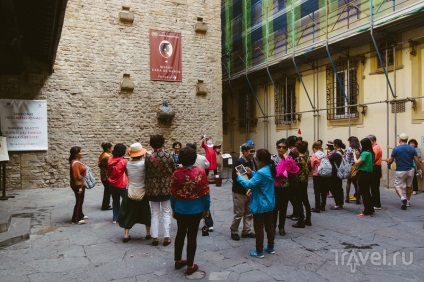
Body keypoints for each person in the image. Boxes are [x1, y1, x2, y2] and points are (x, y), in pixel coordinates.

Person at [170, 146, 211, 276]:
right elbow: (205, 193)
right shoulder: (200, 173)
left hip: (180, 209)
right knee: (192, 236)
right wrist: (206, 208)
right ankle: (190, 265)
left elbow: (173, 194)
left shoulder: (176, 173)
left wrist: (174, 208)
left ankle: (178, 260)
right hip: (196, 209)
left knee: (180, 233)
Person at [236, 149, 276, 258]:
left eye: (256, 159)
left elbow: (249, 184)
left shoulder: (262, 173)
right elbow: (260, 179)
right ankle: (271, 247)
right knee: (270, 226)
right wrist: (252, 172)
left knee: (259, 228)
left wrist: (239, 177)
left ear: (260, 161)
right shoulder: (270, 169)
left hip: (260, 204)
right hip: (270, 203)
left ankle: (259, 251)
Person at [145, 135, 176, 246]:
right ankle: (166, 237)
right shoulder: (168, 156)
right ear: (163, 144)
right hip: (166, 188)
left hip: (152, 189)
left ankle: (155, 237)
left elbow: (146, 172)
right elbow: (174, 171)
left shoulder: (148, 157)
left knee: (154, 213)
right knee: (166, 212)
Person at [118, 143, 151, 243]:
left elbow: (127, 175)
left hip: (130, 190)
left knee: (128, 212)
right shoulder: (144, 164)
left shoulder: (127, 164)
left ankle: (126, 234)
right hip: (142, 190)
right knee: (145, 212)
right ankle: (148, 233)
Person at [386, 133, 422, 210]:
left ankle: (402, 198)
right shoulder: (412, 148)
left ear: (400, 140)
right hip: (410, 170)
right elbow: (416, 160)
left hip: (400, 170)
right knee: (409, 186)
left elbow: (391, 160)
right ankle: (408, 201)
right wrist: (419, 169)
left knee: (397, 186)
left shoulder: (396, 149)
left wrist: (388, 163)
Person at [230, 142, 257, 240]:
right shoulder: (240, 162)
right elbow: (241, 178)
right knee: (239, 213)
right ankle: (234, 231)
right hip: (240, 192)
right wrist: (248, 188)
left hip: (249, 191)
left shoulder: (252, 161)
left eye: (254, 151)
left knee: (249, 213)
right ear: (244, 152)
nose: (253, 153)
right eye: (251, 151)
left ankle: (247, 231)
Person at [186, 142, 213, 231]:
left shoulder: (185, 159)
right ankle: (209, 223)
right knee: (205, 202)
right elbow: (207, 165)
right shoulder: (202, 158)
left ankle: (190, 221)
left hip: (190, 183)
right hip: (201, 182)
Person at [271, 138, 290, 236]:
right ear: (276, 147)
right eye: (279, 147)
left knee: (283, 208)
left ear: (287, 148)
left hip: (286, 187)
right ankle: (273, 227)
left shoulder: (289, 159)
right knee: (274, 208)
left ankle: (281, 227)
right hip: (275, 187)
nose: (281, 149)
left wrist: (287, 159)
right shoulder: (273, 158)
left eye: (284, 147)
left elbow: (293, 170)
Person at [292, 141, 312, 228]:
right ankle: (308, 219)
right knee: (305, 200)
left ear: (297, 149)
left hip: (298, 182)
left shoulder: (297, 160)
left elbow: (293, 171)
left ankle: (300, 221)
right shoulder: (308, 158)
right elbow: (310, 169)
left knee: (298, 201)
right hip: (305, 181)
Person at [353, 138, 375, 216]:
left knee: (364, 193)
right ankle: (370, 208)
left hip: (362, 174)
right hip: (369, 174)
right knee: (367, 192)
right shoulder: (371, 153)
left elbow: (357, 163)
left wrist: (354, 156)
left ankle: (366, 210)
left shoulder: (365, 153)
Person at [108, 144, 128, 224]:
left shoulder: (110, 160)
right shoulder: (124, 161)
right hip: (121, 184)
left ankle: (115, 217)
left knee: (115, 200)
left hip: (112, 184)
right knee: (126, 200)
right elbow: (127, 172)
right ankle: (124, 216)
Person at [69, 146, 88, 224]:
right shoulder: (76, 163)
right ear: (76, 154)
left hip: (79, 184)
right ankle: (75, 219)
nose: (82, 153)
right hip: (78, 185)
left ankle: (80, 214)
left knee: (81, 200)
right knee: (79, 201)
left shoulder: (77, 161)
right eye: (80, 152)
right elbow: (76, 177)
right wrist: (79, 187)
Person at [310, 141, 329, 213]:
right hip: (325, 175)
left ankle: (317, 207)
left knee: (317, 191)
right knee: (324, 191)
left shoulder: (314, 155)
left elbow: (312, 165)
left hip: (317, 175)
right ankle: (323, 206)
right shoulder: (324, 154)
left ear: (314, 148)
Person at [329, 139, 345, 210]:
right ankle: (340, 203)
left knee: (334, 187)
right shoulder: (342, 152)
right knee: (339, 187)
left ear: (336, 145)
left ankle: (338, 203)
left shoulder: (335, 154)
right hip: (340, 171)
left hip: (334, 172)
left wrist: (330, 155)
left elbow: (329, 159)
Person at [367, 134, 383, 209]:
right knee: (374, 186)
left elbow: (373, 159)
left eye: (368, 140)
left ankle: (376, 204)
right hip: (376, 168)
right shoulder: (374, 147)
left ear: (372, 140)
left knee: (374, 187)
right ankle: (375, 202)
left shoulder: (375, 148)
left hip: (375, 168)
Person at [345, 136, 360, 204]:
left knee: (348, 182)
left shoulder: (349, 149)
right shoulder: (360, 148)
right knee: (357, 183)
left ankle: (347, 198)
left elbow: (347, 160)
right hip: (357, 167)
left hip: (350, 167)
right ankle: (357, 198)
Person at [98, 142, 113, 211]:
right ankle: (105, 205)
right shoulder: (107, 156)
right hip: (106, 175)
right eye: (111, 148)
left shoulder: (102, 155)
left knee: (107, 190)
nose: (111, 149)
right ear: (108, 148)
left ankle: (106, 204)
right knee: (107, 190)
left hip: (103, 174)